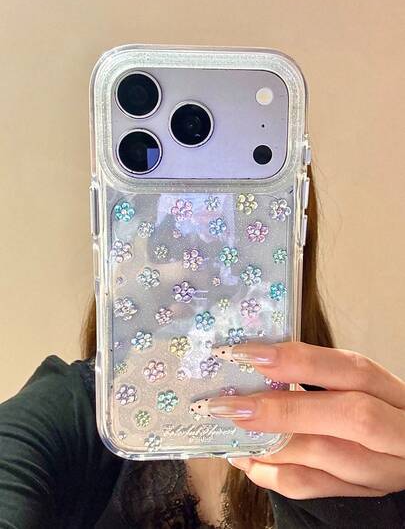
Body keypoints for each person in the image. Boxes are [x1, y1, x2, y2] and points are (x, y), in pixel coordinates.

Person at [0, 164, 404, 529]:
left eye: (230, 231)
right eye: (162, 233)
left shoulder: (364, 457)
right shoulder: (67, 416)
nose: (187, 269)